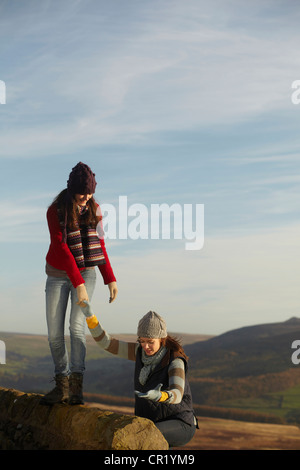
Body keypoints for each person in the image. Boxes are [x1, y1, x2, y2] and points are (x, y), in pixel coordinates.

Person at [40, 162, 117, 406]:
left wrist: (110, 278)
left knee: (76, 327)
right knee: (54, 333)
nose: (86, 197)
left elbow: (100, 245)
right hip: (57, 274)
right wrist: (77, 281)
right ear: (72, 190)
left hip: (87, 273)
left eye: (90, 192)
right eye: (82, 193)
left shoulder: (95, 211)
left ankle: (76, 390)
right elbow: (61, 248)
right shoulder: (55, 211)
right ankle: (60, 385)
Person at [79, 301, 198, 448]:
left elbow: (177, 394)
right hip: (152, 422)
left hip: (180, 423)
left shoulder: (174, 361)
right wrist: (90, 317)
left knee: (144, 434)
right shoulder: (139, 352)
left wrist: (161, 396)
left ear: (161, 339)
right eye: (141, 341)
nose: (145, 346)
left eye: (150, 341)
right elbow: (107, 343)